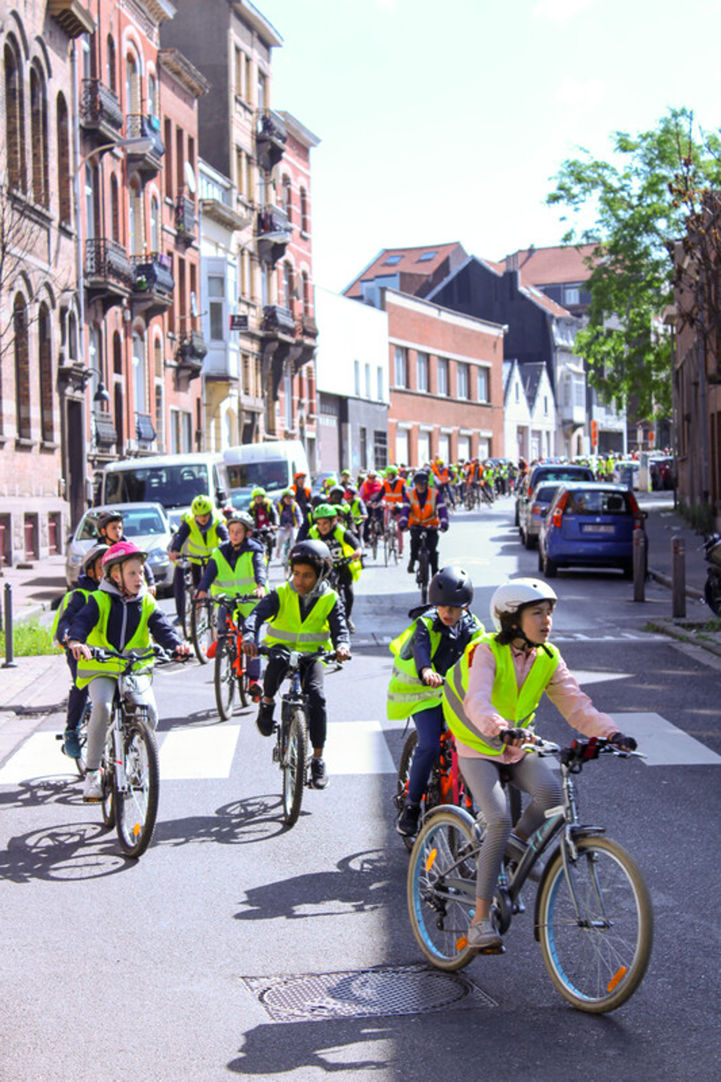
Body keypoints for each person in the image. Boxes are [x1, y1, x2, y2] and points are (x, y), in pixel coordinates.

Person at [442, 577, 638, 951]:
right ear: (512, 619)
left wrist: (611, 733)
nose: (547, 620)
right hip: (477, 742)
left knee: (552, 795)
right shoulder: (484, 651)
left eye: (549, 612)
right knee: (498, 818)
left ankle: (512, 845)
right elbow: (477, 702)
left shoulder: (547, 656)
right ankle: (480, 921)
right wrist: (500, 729)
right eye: (537, 613)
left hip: (515, 745)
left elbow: (576, 704)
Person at [66, 542, 190, 801]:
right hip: (101, 667)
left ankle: (134, 752)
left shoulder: (146, 601)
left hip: (134, 668)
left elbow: (162, 628)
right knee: (102, 705)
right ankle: (92, 774)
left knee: (150, 712)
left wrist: (176, 645)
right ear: (114, 575)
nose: (139, 578)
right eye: (132, 573)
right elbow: (81, 622)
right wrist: (76, 641)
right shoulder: (98, 600)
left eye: (141, 572)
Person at [242, 539, 351, 790]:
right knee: (274, 669)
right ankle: (267, 704)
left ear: (321, 575)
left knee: (318, 697)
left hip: (312, 656)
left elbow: (340, 629)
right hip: (281, 649)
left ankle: (317, 759)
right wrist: (250, 637)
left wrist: (342, 646)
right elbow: (256, 615)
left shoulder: (331, 598)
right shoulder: (281, 593)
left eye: (308, 576)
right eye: (296, 573)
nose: (300, 581)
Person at [389, 567, 485, 838]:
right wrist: (426, 671)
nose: (447, 613)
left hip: (456, 693)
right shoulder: (427, 623)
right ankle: (410, 807)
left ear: (465, 607)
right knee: (429, 745)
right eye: (442, 606)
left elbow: (482, 656)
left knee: (474, 743)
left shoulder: (475, 629)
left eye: (454, 608)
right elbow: (421, 648)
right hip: (426, 694)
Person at [197, 511, 267, 699]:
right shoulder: (220, 551)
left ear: (247, 534)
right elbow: (209, 573)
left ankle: (253, 681)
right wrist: (202, 590)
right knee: (222, 614)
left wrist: (260, 586)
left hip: (249, 599)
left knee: (251, 638)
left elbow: (260, 568)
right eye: (231, 531)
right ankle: (220, 640)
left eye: (239, 531)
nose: (234, 535)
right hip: (227, 596)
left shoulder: (255, 550)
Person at [52, 543, 108, 759]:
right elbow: (66, 621)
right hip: (79, 651)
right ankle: (72, 730)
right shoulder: (80, 596)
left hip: (106, 652)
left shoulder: (113, 594)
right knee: (81, 685)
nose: (106, 572)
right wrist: (68, 637)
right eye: (101, 567)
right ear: (91, 570)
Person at [168, 495, 228, 626]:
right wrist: (175, 550)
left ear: (210, 512)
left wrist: (229, 550)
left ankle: (214, 613)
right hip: (195, 559)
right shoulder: (189, 522)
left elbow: (226, 538)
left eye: (206, 514)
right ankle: (196, 615)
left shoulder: (217, 522)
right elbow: (180, 537)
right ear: (194, 515)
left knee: (212, 585)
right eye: (199, 515)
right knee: (197, 587)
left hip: (212, 559)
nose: (203, 518)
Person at [308, 503, 362, 633]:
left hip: (343, 564)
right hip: (326, 567)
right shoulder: (314, 532)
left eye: (325, 523)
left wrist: (358, 551)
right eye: (319, 523)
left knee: (348, 591)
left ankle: (347, 618)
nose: (322, 527)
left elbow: (355, 543)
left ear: (334, 521)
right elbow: (306, 545)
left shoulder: (340, 531)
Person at [96, 510, 156, 596]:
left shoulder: (128, 548)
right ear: (103, 532)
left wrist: (151, 583)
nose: (118, 531)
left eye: (120, 528)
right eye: (113, 528)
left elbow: (143, 565)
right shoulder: (98, 551)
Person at [400, 470, 448, 576]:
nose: (421, 486)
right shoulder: (409, 495)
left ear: (427, 484)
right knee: (414, 543)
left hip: (431, 525)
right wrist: (403, 523)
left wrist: (444, 523)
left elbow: (442, 509)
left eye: (423, 483)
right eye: (418, 484)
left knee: (432, 551)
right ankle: (412, 560)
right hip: (415, 525)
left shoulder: (435, 494)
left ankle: (435, 573)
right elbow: (405, 510)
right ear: (415, 484)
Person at [380, 465, 406, 556]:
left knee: (399, 529)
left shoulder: (401, 482)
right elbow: (381, 494)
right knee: (385, 518)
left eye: (389, 474)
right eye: (387, 474)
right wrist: (374, 501)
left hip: (398, 507)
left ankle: (400, 550)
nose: (387, 476)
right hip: (389, 507)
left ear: (394, 474)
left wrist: (402, 504)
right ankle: (387, 533)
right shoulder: (386, 483)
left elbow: (405, 495)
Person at [274, 489, 303, 559]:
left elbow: (299, 515)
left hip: (293, 526)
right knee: (279, 537)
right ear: (283, 498)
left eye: (291, 498)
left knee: (294, 538)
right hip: (282, 526)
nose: (289, 500)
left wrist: (299, 524)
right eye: (287, 498)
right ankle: (278, 550)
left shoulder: (295, 506)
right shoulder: (279, 506)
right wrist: (276, 524)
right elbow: (275, 515)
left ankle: (293, 552)